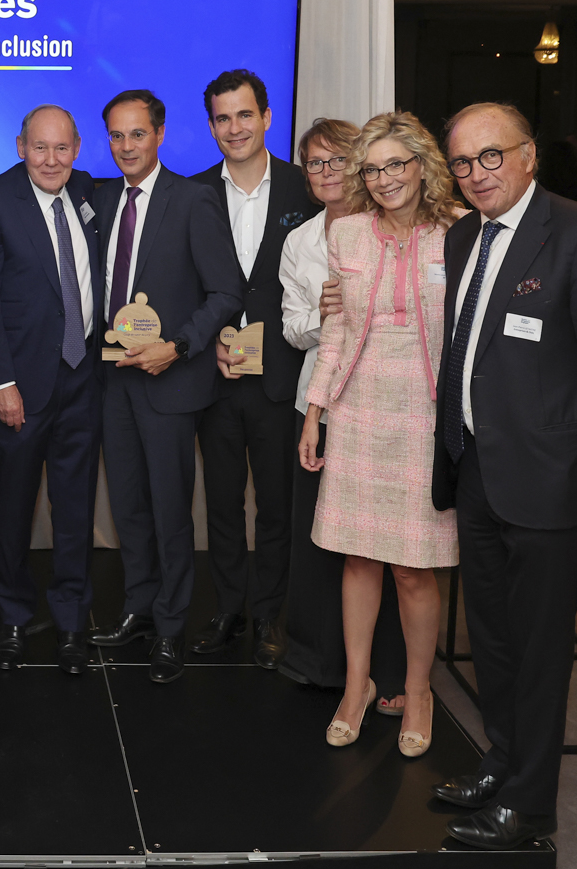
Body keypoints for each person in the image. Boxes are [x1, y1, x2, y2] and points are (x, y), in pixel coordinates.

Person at [431, 102, 577, 850]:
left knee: (540, 649)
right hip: (477, 467)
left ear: (528, 156)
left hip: (552, 479)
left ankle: (529, 807)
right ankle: (502, 761)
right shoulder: (464, 236)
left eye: (491, 155)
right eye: (463, 162)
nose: (476, 173)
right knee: (490, 637)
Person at [300, 111, 462, 759]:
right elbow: (337, 330)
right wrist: (315, 411)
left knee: (414, 570)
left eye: (397, 163)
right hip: (359, 406)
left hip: (427, 413)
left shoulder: (459, 233)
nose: (385, 178)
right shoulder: (348, 234)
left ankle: (419, 692)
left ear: (422, 165)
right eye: (372, 169)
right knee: (358, 557)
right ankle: (356, 686)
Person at [88, 90, 242, 683]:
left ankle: (172, 626)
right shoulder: (104, 199)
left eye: (137, 134)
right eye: (116, 135)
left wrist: (176, 347)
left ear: (160, 134)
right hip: (113, 380)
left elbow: (225, 292)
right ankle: (139, 607)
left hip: (170, 382)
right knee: (128, 504)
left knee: (171, 508)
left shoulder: (194, 200)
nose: (126, 146)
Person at [278, 118, 408, 713]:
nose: (326, 172)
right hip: (320, 404)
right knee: (322, 543)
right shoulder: (300, 241)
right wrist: (324, 314)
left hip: (389, 407)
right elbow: (292, 328)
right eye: (315, 163)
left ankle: (391, 672)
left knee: (389, 544)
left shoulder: (395, 227)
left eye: (337, 160)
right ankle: (321, 663)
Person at [189, 69, 317, 665]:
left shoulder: (305, 189)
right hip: (213, 377)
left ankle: (269, 614)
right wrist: (205, 338)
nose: (234, 128)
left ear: (266, 117)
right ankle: (227, 609)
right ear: (211, 125)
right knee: (220, 504)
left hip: (279, 378)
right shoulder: (192, 193)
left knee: (275, 505)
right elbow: (182, 283)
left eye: (245, 115)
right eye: (223, 118)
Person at [0, 105, 101, 675]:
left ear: (76, 149)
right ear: (21, 146)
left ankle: (72, 622)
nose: (51, 160)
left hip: (84, 378)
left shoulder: (89, 193)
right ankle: (13, 616)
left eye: (62, 148)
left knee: (75, 506)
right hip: (19, 385)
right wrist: (2, 382)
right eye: (40, 147)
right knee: (13, 507)